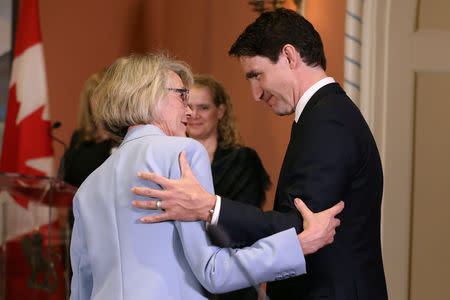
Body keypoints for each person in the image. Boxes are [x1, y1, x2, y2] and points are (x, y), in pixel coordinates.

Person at [132, 8, 387, 300]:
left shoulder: (328, 119)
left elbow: (303, 227)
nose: (255, 93)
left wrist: (209, 207)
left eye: (257, 75)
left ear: (290, 57)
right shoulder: (324, 114)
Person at [69, 53, 343, 299]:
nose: (189, 111)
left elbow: (81, 288)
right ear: (148, 95)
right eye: (181, 96)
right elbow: (213, 271)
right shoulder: (182, 154)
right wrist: (298, 245)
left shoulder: (88, 187)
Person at [188, 75, 271, 299]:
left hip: (231, 274)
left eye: (203, 107)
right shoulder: (171, 159)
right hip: (184, 276)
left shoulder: (242, 160)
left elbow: (247, 222)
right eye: (189, 107)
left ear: (220, 111)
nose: (194, 115)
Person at [63, 70, 118, 189]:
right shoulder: (79, 138)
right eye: (94, 97)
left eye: (105, 97)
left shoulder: (123, 139)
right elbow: (67, 181)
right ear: (88, 102)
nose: (100, 103)